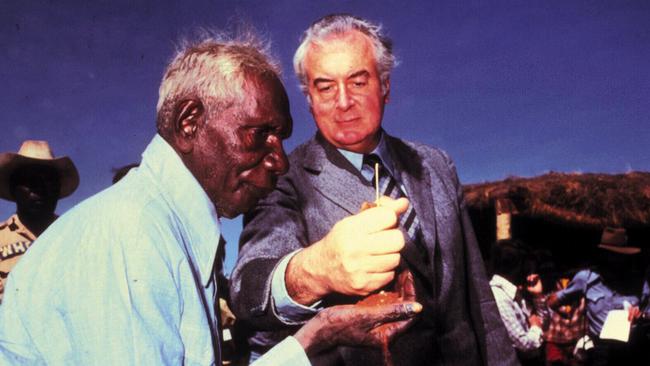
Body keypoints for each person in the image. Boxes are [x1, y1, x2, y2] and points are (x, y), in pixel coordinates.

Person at [0, 34, 421, 365]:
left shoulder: (160, 226)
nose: (279, 161)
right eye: (261, 135)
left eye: (282, 139)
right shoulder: (132, 237)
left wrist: (319, 335)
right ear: (189, 123)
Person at [230, 14, 517, 365]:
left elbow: (478, 300)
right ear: (309, 100)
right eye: (325, 87)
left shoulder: (436, 165)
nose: (343, 101)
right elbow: (249, 286)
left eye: (358, 82)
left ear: (385, 86)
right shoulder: (286, 180)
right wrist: (316, 268)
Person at [546, 227, 650, 366]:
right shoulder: (586, 278)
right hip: (601, 351)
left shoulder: (638, 281)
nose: (615, 260)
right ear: (602, 254)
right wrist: (570, 308)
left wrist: (641, 316)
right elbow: (553, 302)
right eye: (610, 255)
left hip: (632, 348)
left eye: (619, 255)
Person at [0, 140, 79, 303]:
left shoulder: (77, 237)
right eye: (29, 181)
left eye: (48, 182)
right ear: (14, 188)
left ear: (58, 190)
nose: (39, 189)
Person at [489, 240, 548, 365]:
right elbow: (524, 344)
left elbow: (544, 325)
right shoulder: (499, 297)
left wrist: (538, 296)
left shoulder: (514, 293)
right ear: (518, 267)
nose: (530, 273)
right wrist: (536, 328)